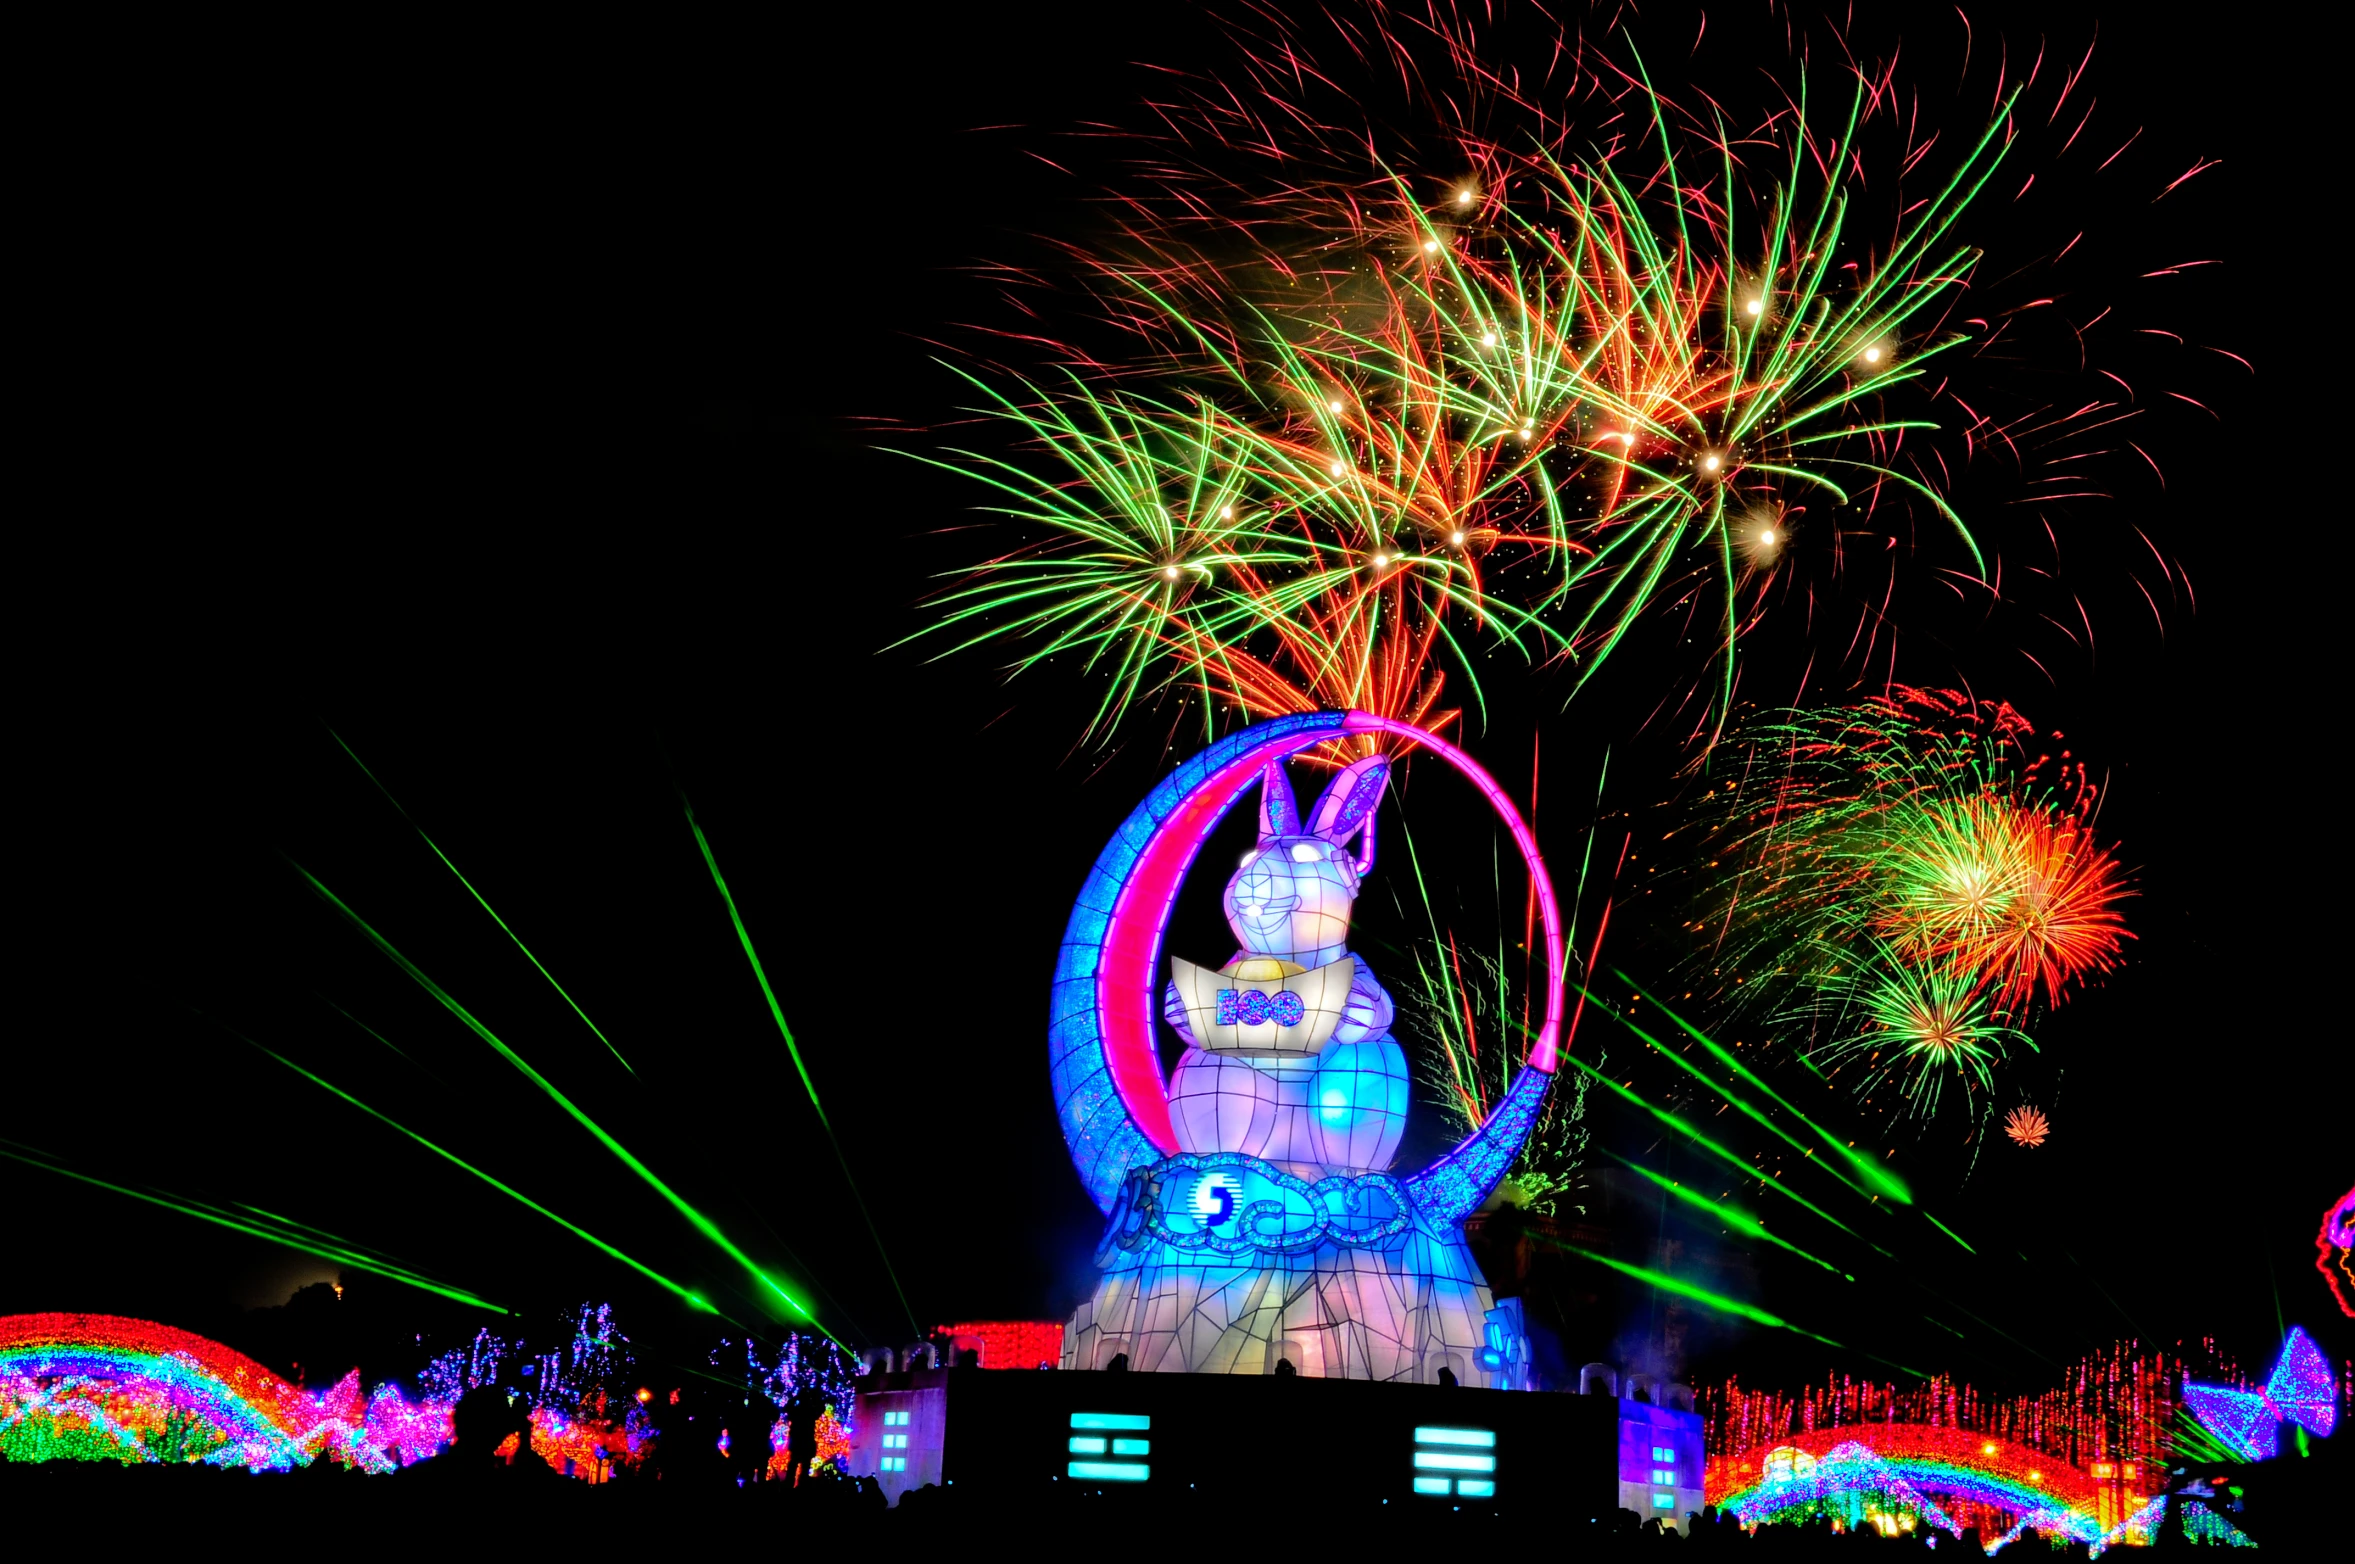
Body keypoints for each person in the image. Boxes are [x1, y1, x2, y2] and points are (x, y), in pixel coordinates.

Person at [782, 1384, 828, 1487]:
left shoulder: (797, 1410)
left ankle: (789, 1488)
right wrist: (816, 1398)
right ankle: (800, 1488)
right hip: (805, 1443)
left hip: (797, 1442)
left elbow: (786, 1409)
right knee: (802, 1468)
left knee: (793, 1466)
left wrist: (795, 1398)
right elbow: (821, 1408)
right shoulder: (810, 1411)